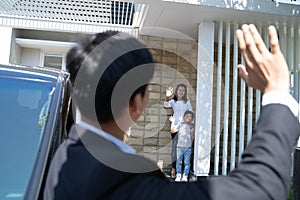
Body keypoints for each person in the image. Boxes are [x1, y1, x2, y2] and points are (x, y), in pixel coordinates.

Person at [44, 24, 300, 200]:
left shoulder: (63, 155)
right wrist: (276, 91)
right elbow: (257, 190)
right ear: (136, 104)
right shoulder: (118, 181)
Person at [164, 83, 193, 179]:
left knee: (184, 150)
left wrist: (190, 127)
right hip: (175, 128)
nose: (181, 92)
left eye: (183, 90)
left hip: (184, 128)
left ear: (185, 92)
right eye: (179, 90)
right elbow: (166, 104)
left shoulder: (187, 102)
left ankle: (183, 172)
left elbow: (191, 115)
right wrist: (167, 96)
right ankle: (174, 169)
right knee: (174, 149)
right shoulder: (173, 101)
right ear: (177, 91)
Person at [175, 110, 195, 182]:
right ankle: (178, 174)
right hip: (179, 147)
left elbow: (192, 137)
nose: (188, 118)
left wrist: (189, 144)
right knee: (179, 161)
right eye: (187, 116)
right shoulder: (180, 125)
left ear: (192, 119)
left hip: (187, 147)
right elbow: (176, 133)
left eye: (190, 117)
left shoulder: (191, 127)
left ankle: (185, 175)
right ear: (183, 117)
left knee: (187, 162)